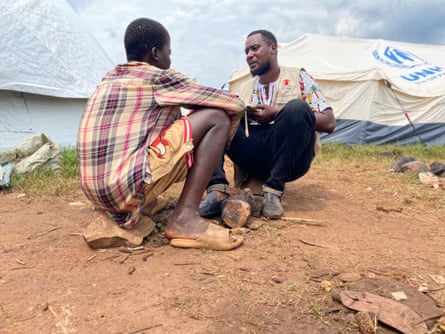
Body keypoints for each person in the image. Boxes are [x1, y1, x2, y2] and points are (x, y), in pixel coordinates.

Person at [77, 18, 246, 251]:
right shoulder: (157, 76)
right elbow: (230, 103)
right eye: (169, 53)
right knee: (216, 118)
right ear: (156, 54)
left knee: (161, 127)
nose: (170, 59)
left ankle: (143, 204)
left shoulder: (109, 80)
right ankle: (185, 219)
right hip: (121, 191)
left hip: (96, 194)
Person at [199, 29, 336, 219]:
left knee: (297, 108)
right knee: (216, 113)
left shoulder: (299, 78)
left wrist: (277, 113)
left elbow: (329, 122)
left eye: (255, 48)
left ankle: (273, 191)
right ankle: (217, 189)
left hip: (291, 160)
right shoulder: (239, 87)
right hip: (252, 155)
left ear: (273, 48)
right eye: (246, 51)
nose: (249, 55)